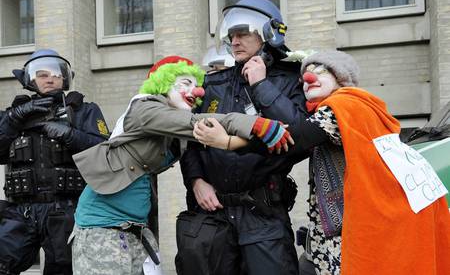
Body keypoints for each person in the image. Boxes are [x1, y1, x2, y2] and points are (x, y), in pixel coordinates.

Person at [70, 56, 292, 275]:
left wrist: (262, 134)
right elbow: (201, 123)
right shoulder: (144, 108)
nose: (196, 92)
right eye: (185, 83)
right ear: (163, 83)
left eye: (196, 85)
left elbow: (218, 138)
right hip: (101, 227)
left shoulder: (173, 128)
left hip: (135, 229)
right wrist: (253, 124)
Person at [177, 0, 326, 275]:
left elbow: (298, 137)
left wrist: (261, 84)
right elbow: (187, 138)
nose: (234, 42)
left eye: (242, 34)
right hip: (213, 215)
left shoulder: (290, 78)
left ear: (268, 33)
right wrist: (196, 181)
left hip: (263, 215)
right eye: (231, 35)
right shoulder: (214, 82)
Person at [290, 50, 450, 275]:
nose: (308, 78)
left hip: (347, 228)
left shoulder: (341, 107)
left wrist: (231, 135)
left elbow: (294, 138)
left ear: (341, 77)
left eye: (321, 71)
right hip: (341, 227)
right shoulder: (358, 107)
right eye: (305, 75)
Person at [0, 49, 109, 275]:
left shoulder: (83, 111)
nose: (50, 78)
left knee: (65, 269)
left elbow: (105, 153)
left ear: (65, 78)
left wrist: (71, 135)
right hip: (20, 211)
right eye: (42, 74)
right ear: (30, 80)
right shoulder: (12, 115)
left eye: (56, 74)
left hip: (67, 209)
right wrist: (13, 119)